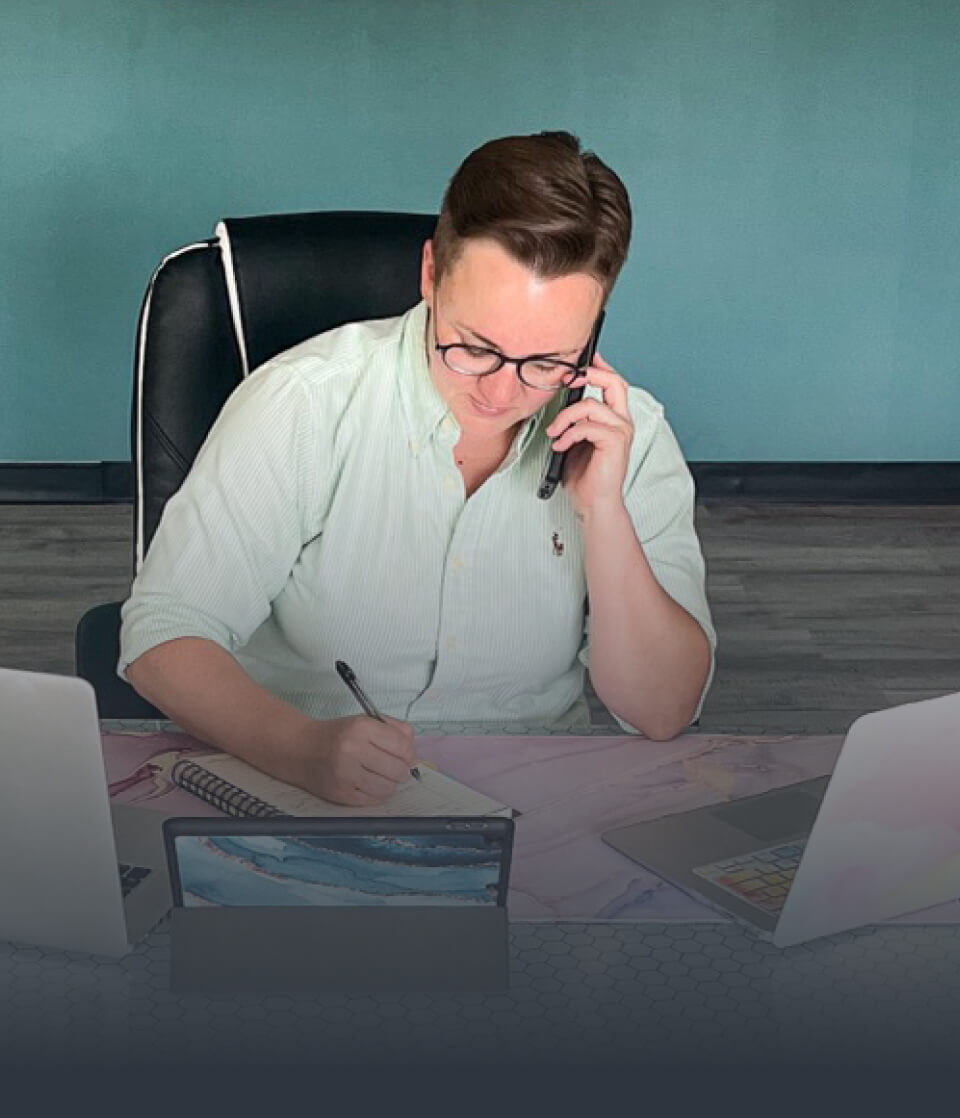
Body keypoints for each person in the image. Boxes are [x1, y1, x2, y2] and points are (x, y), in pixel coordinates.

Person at [119, 130, 716, 807]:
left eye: (548, 361)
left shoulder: (625, 432)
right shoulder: (306, 403)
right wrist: (302, 750)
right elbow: (163, 636)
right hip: (299, 793)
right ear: (431, 273)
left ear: (594, 327)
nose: (499, 394)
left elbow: (663, 711)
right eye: (474, 347)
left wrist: (602, 512)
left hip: (534, 807)